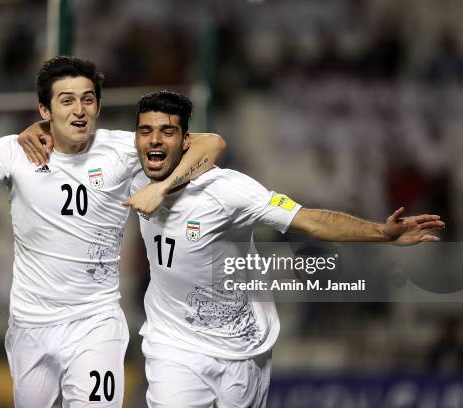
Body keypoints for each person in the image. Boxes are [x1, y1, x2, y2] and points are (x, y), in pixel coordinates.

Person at [0, 57, 225, 408]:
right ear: (44, 108)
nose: (79, 109)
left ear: (99, 106)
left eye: (87, 99)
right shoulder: (9, 151)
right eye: (66, 100)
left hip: (95, 322)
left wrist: (160, 188)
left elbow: (211, 144)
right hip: (31, 324)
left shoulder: (122, 150)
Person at [129, 90, 445, 408]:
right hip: (173, 343)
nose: (154, 140)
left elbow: (310, 221)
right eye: (145, 132)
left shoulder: (228, 191)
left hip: (242, 348)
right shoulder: (132, 171)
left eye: (167, 132)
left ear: (186, 140)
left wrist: (382, 232)